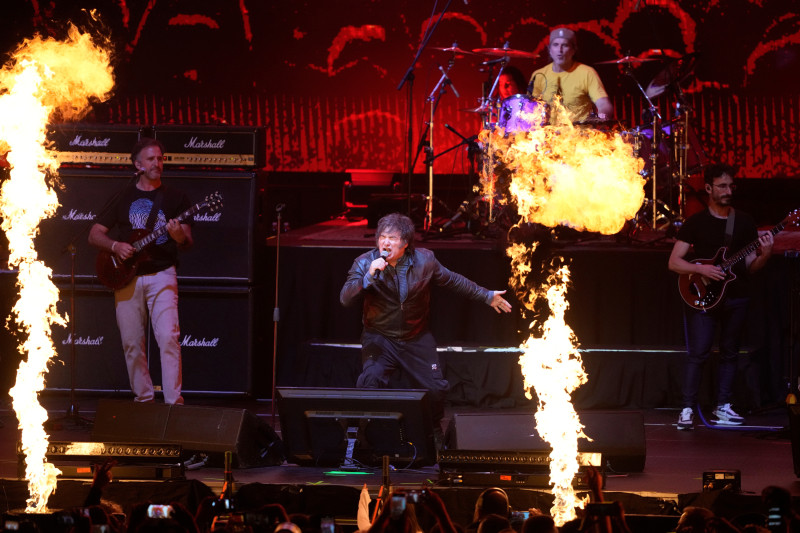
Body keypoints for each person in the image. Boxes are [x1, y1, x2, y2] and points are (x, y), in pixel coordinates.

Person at [339, 213, 512, 445]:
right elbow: (345, 299)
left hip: (415, 337)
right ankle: (364, 439)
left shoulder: (425, 260)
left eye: (392, 237)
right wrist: (369, 276)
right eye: (382, 237)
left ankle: (434, 431)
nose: (385, 242)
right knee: (369, 380)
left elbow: (453, 280)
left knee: (435, 388)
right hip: (380, 337)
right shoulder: (364, 263)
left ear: (406, 242)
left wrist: (486, 295)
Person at [668, 163, 773, 430]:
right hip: (703, 297)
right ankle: (688, 408)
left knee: (730, 353)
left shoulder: (745, 222)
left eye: (730, 186)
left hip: (736, 296)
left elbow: (751, 266)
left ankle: (723, 406)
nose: (728, 191)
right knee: (698, 354)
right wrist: (700, 268)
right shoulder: (696, 223)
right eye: (722, 186)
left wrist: (766, 254)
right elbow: (674, 262)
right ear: (708, 188)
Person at [89, 138, 193, 405]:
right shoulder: (123, 196)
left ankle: (173, 403)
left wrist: (178, 235)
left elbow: (187, 242)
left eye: (160, 158)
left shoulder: (177, 198)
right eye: (151, 159)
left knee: (169, 338)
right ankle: (144, 401)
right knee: (132, 344)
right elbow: (94, 234)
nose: (157, 163)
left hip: (162, 274)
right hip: (126, 277)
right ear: (137, 164)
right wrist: (115, 246)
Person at [528, 27, 614, 123]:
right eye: (555, 45)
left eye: (565, 45)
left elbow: (604, 104)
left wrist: (601, 117)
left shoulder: (587, 72)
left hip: (580, 134)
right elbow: (530, 108)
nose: (560, 50)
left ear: (573, 50)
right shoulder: (538, 75)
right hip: (548, 134)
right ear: (550, 49)